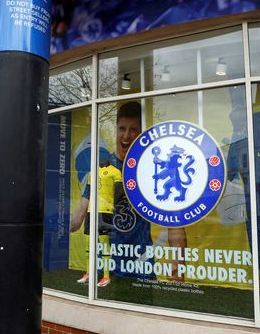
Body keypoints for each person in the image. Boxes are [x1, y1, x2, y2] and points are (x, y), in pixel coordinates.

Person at [70, 101, 187, 286]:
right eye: (122, 128)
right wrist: (57, 222)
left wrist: (177, 273)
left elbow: (175, 224)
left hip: (141, 268)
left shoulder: (151, 169)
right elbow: (79, 215)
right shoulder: (102, 168)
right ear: (115, 131)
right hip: (104, 268)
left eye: (133, 129)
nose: (126, 135)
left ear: (141, 134)